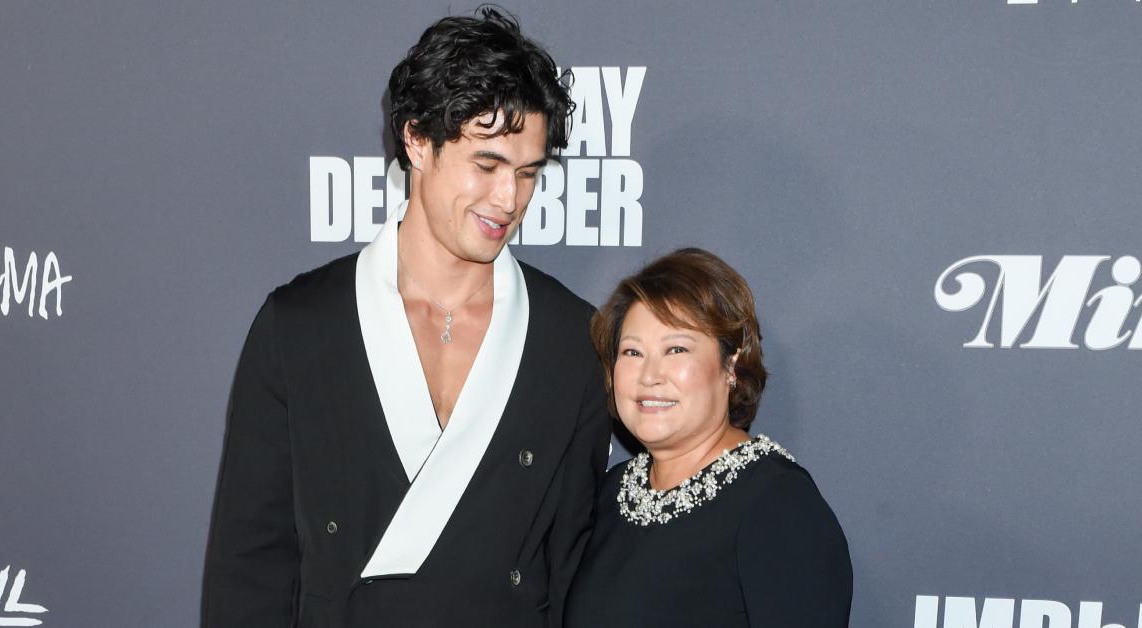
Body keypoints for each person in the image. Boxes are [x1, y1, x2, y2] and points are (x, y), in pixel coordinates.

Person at [201, 9, 610, 627]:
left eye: (527, 174)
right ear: (417, 140)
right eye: (487, 164)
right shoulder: (301, 326)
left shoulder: (568, 339)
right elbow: (249, 571)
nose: (509, 200)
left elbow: (575, 572)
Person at [565, 248, 852, 627]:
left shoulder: (776, 502)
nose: (649, 375)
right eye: (632, 352)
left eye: (676, 349)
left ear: (730, 365)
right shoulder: (610, 494)